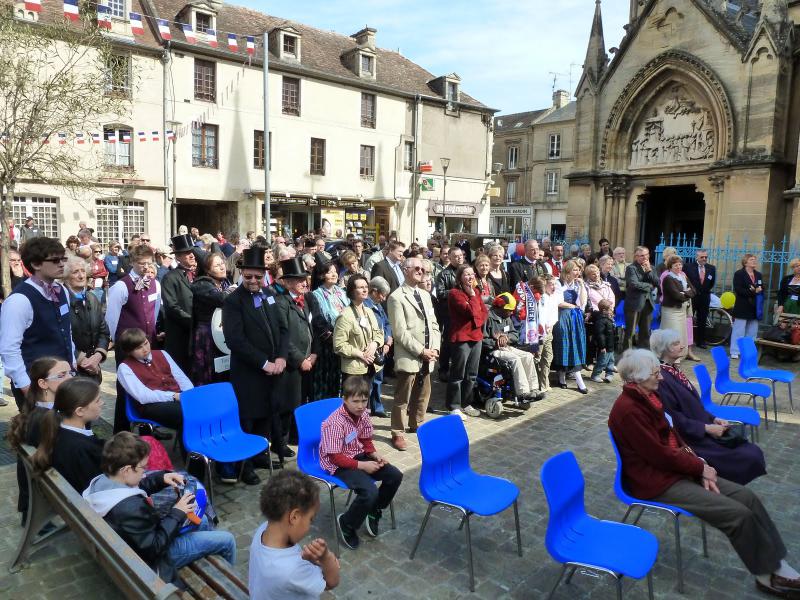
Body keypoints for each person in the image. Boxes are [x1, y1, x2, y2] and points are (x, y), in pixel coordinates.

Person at [609, 349, 800, 598]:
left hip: (675, 469)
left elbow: (673, 436)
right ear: (638, 377)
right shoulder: (629, 410)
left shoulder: (648, 397)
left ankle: (777, 562)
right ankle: (767, 576)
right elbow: (660, 456)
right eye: (656, 374)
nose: (662, 377)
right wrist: (700, 468)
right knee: (737, 515)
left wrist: (699, 463)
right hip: (657, 481)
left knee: (747, 497)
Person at [83, 432, 236, 585]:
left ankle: (206, 560)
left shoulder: (104, 481)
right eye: (143, 467)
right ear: (127, 470)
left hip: (138, 544)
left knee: (202, 521)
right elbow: (155, 547)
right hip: (153, 560)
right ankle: (229, 586)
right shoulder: (131, 508)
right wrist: (177, 512)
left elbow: (132, 487)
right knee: (227, 540)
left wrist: (160, 478)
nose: (145, 472)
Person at [650, 329, 766, 485]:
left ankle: (731, 488)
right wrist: (706, 428)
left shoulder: (673, 370)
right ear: (664, 349)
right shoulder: (662, 379)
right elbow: (674, 419)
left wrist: (713, 418)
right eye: (676, 344)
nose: (682, 346)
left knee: (750, 451)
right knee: (748, 456)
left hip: (702, 427)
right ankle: (726, 488)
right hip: (691, 438)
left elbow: (695, 406)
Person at [223, 248, 288, 484]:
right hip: (249, 372)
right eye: (248, 276)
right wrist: (263, 363)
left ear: (265, 275)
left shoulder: (269, 294)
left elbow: (283, 328)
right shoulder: (233, 301)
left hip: (273, 370)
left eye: (257, 277)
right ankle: (244, 465)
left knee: (266, 416)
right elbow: (235, 340)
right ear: (242, 274)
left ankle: (260, 454)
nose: (252, 281)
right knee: (248, 419)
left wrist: (281, 357)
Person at [319, 377, 403, 550]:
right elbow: (335, 457)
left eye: (364, 401)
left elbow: (365, 440)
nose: (360, 406)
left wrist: (374, 454)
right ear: (345, 399)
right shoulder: (335, 423)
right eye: (355, 401)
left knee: (395, 475)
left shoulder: (363, 414)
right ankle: (347, 523)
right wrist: (363, 466)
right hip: (338, 464)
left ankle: (374, 509)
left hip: (357, 454)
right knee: (369, 492)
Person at [0, 237, 75, 409]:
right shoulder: (19, 300)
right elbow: (9, 349)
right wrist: (26, 387)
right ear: (35, 264)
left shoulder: (62, 290)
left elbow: (66, 331)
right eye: (55, 260)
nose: (61, 264)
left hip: (64, 378)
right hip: (35, 384)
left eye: (63, 259)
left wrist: (72, 365)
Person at [249, 470, 340, 599]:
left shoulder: (263, 530)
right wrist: (326, 557)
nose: (310, 526)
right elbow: (331, 582)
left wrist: (307, 561)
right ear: (294, 517)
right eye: (311, 519)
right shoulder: (293, 570)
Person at [8, 357, 73, 525]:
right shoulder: (46, 419)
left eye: (70, 373)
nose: (70, 378)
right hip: (54, 489)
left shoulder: (39, 411)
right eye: (62, 375)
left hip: (40, 490)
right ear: (43, 383)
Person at [106, 244, 162, 433]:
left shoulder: (155, 284)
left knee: (149, 384)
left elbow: (154, 312)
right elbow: (111, 318)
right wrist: (118, 342)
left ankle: (149, 428)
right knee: (125, 389)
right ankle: (121, 431)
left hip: (148, 344)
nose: (146, 267)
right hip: (128, 346)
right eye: (141, 263)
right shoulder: (121, 286)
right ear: (132, 262)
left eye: (148, 263)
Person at [387, 257, 440, 451]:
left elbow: (434, 324)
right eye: (416, 268)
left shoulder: (425, 295)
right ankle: (397, 432)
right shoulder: (396, 297)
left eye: (423, 269)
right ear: (405, 270)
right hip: (410, 355)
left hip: (428, 353)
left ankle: (417, 423)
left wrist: (435, 348)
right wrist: (420, 351)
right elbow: (400, 332)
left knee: (424, 393)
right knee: (403, 397)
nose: (420, 271)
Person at [31, 377, 105, 494]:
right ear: (80, 411)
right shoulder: (81, 448)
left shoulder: (56, 431)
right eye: (97, 400)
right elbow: (99, 489)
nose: (102, 403)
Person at [273, 258, 317, 453]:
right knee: (287, 405)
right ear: (288, 282)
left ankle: (295, 435)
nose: (304, 283)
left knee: (300, 402)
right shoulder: (281, 303)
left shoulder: (305, 300)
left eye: (304, 279)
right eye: (299, 280)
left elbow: (310, 328)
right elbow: (283, 336)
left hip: (308, 360)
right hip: (291, 364)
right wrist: (300, 359)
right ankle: (280, 444)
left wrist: (313, 354)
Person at [117, 328, 192, 437]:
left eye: (146, 343)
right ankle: (191, 446)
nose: (145, 349)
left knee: (203, 407)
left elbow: (181, 378)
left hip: (177, 397)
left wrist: (190, 394)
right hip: (151, 404)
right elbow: (143, 396)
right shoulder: (124, 368)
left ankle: (208, 441)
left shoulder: (162, 353)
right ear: (129, 351)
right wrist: (173, 396)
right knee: (186, 414)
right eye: (139, 348)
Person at [483, 293, 543, 403]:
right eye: (509, 310)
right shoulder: (487, 317)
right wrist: (496, 342)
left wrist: (506, 337)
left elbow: (515, 335)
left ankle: (533, 389)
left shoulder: (507, 318)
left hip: (507, 347)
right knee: (515, 359)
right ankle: (523, 393)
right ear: (500, 307)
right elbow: (482, 339)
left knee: (528, 356)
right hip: (493, 350)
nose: (511, 313)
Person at [447, 264, 488, 419]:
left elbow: (483, 312)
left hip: (476, 336)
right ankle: (454, 405)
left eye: (472, 274)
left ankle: (466, 403)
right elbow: (469, 312)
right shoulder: (455, 293)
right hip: (462, 338)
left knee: (471, 374)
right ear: (460, 277)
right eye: (467, 274)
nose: (470, 277)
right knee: (458, 373)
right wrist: (471, 298)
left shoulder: (476, 292)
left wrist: (477, 316)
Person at [63, 257, 109, 382]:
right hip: (70, 369)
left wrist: (98, 356)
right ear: (66, 277)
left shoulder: (92, 298)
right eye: (75, 272)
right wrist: (83, 360)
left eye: (83, 271)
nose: (81, 276)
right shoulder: (60, 301)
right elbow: (60, 336)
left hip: (93, 367)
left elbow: (104, 332)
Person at [189, 252, 233, 385]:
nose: (222, 267)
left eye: (222, 263)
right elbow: (222, 299)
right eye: (217, 265)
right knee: (209, 373)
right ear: (207, 270)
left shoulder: (224, 283)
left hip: (222, 333)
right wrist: (234, 290)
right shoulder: (201, 284)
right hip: (207, 335)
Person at [333, 275, 384, 386]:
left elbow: (379, 333)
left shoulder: (369, 311)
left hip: (371, 367)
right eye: (361, 287)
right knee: (355, 397)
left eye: (366, 287)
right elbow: (339, 345)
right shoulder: (345, 316)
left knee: (368, 397)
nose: (365, 290)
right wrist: (361, 354)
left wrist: (375, 344)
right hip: (354, 370)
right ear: (352, 291)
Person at [310, 261, 349, 400]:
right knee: (325, 381)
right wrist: (332, 336)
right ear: (321, 275)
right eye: (329, 272)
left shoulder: (342, 292)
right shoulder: (316, 294)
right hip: (327, 344)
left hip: (344, 341)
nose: (333, 274)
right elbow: (318, 320)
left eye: (335, 271)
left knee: (339, 382)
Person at [161, 234, 197, 376]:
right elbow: (172, 307)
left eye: (192, 252)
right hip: (180, 338)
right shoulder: (170, 278)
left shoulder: (199, 276)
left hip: (197, 337)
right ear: (178, 257)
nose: (192, 255)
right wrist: (193, 322)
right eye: (187, 253)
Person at [553, 260, 589, 393]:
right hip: (563, 316)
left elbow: (582, 303)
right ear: (567, 271)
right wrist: (574, 306)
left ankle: (576, 378)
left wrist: (582, 286)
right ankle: (562, 376)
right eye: (575, 269)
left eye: (578, 270)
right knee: (564, 344)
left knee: (575, 344)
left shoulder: (577, 284)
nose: (577, 272)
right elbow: (558, 302)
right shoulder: (558, 283)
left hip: (575, 318)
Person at [364, 277, 392, 418]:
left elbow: (386, 323)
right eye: (382, 295)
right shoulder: (365, 305)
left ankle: (377, 406)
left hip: (381, 349)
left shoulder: (378, 305)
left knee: (378, 379)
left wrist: (388, 339)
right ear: (374, 292)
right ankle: (366, 410)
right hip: (371, 348)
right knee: (368, 381)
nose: (384, 298)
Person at [660, 255, 698, 361]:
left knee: (681, 333)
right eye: (676, 265)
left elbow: (694, 290)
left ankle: (679, 356)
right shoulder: (668, 278)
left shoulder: (683, 276)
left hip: (682, 310)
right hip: (671, 311)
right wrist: (686, 293)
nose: (678, 267)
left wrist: (684, 293)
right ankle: (669, 357)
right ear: (670, 267)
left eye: (680, 265)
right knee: (673, 334)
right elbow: (677, 296)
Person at [624, 246, 660, 350]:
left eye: (646, 255)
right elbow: (634, 284)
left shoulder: (652, 268)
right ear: (636, 257)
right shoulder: (631, 268)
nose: (645, 257)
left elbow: (657, 282)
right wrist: (649, 286)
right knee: (630, 332)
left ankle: (644, 353)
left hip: (648, 303)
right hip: (634, 303)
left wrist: (649, 271)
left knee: (645, 331)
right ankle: (627, 354)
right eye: (642, 255)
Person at [731, 254, 764, 360]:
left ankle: (748, 351)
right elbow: (738, 289)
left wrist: (759, 289)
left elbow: (761, 287)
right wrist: (753, 291)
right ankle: (735, 351)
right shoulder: (739, 274)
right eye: (751, 260)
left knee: (752, 331)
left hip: (754, 307)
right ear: (745, 262)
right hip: (742, 305)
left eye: (755, 259)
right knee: (739, 330)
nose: (754, 261)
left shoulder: (758, 274)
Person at [684, 249, 716, 349]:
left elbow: (711, 283)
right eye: (702, 257)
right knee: (689, 319)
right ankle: (687, 340)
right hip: (692, 297)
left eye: (706, 257)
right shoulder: (688, 267)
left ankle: (701, 341)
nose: (704, 259)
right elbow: (685, 281)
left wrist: (704, 290)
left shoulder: (711, 268)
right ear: (697, 257)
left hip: (705, 297)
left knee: (702, 319)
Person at [590, 299, 616, 383]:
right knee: (602, 362)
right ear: (604, 310)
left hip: (611, 345)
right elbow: (600, 334)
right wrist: (602, 346)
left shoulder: (609, 319)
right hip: (605, 347)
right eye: (610, 308)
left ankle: (609, 374)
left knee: (611, 361)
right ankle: (595, 375)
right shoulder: (601, 321)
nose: (612, 310)